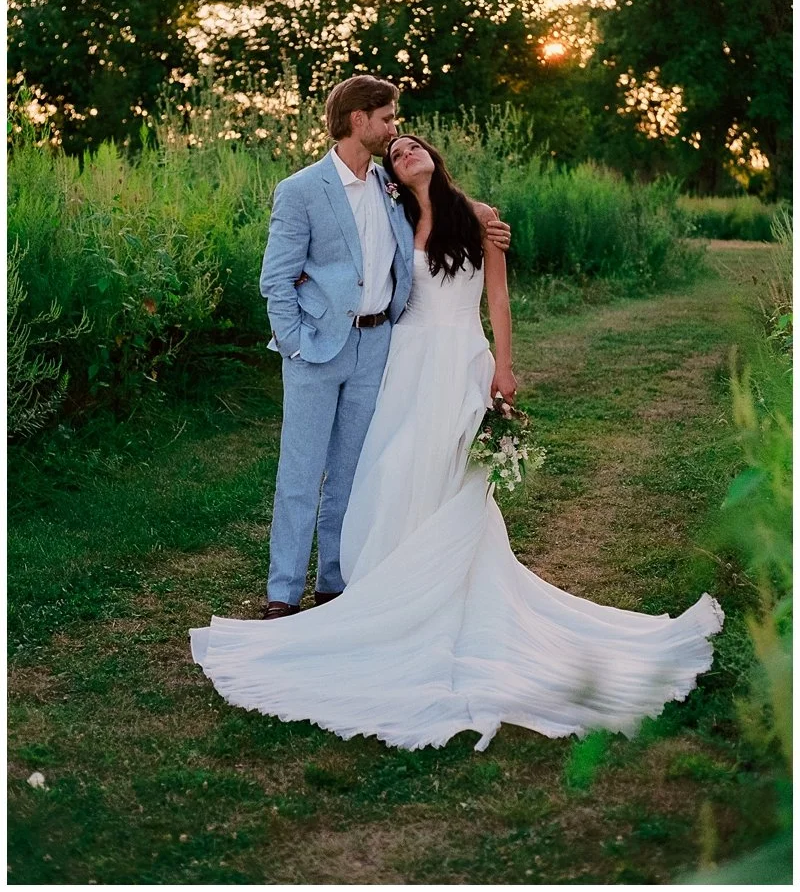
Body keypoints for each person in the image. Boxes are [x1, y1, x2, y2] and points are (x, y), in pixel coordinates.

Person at [190, 133, 723, 753]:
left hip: (457, 358)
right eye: (395, 151)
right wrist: (313, 285)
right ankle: (365, 584)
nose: (404, 152)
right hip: (401, 362)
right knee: (388, 471)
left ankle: (436, 596)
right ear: (391, 171)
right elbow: (358, 263)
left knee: (446, 472)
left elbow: (497, 297)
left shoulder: (480, 219)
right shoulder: (396, 214)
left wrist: (504, 365)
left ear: (435, 158)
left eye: (414, 145)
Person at [253, 75, 510, 620]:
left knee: (353, 472)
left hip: (379, 349)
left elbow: (441, 216)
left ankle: (335, 584)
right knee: (301, 473)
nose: (395, 129)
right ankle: (282, 594)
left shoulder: (390, 189)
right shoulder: (301, 190)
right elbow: (276, 279)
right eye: (388, 119)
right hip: (316, 351)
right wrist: (296, 344)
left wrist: (490, 226)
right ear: (358, 120)